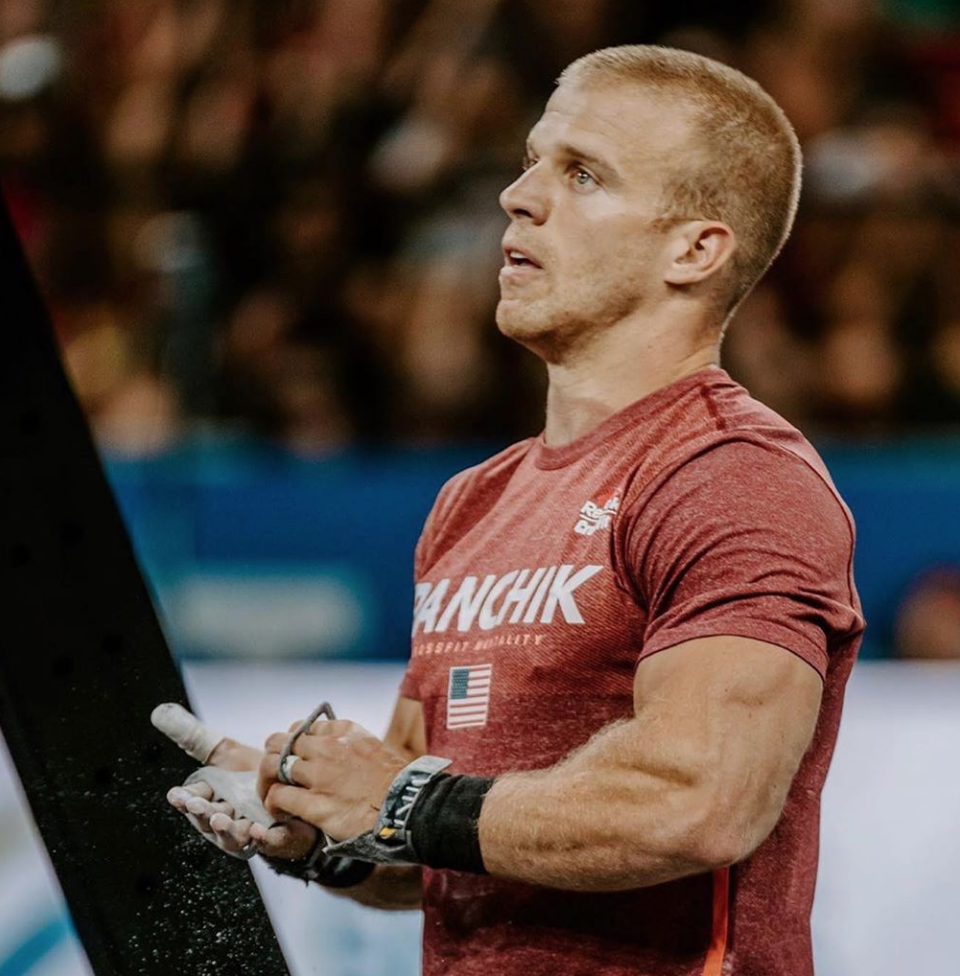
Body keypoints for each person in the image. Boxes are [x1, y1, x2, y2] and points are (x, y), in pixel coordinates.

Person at [160, 45, 864, 976]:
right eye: (533, 161)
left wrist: (403, 803)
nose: (518, 196)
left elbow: (699, 803)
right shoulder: (473, 502)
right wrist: (319, 828)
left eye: (583, 175)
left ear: (694, 250)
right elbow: (431, 848)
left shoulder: (730, 476)